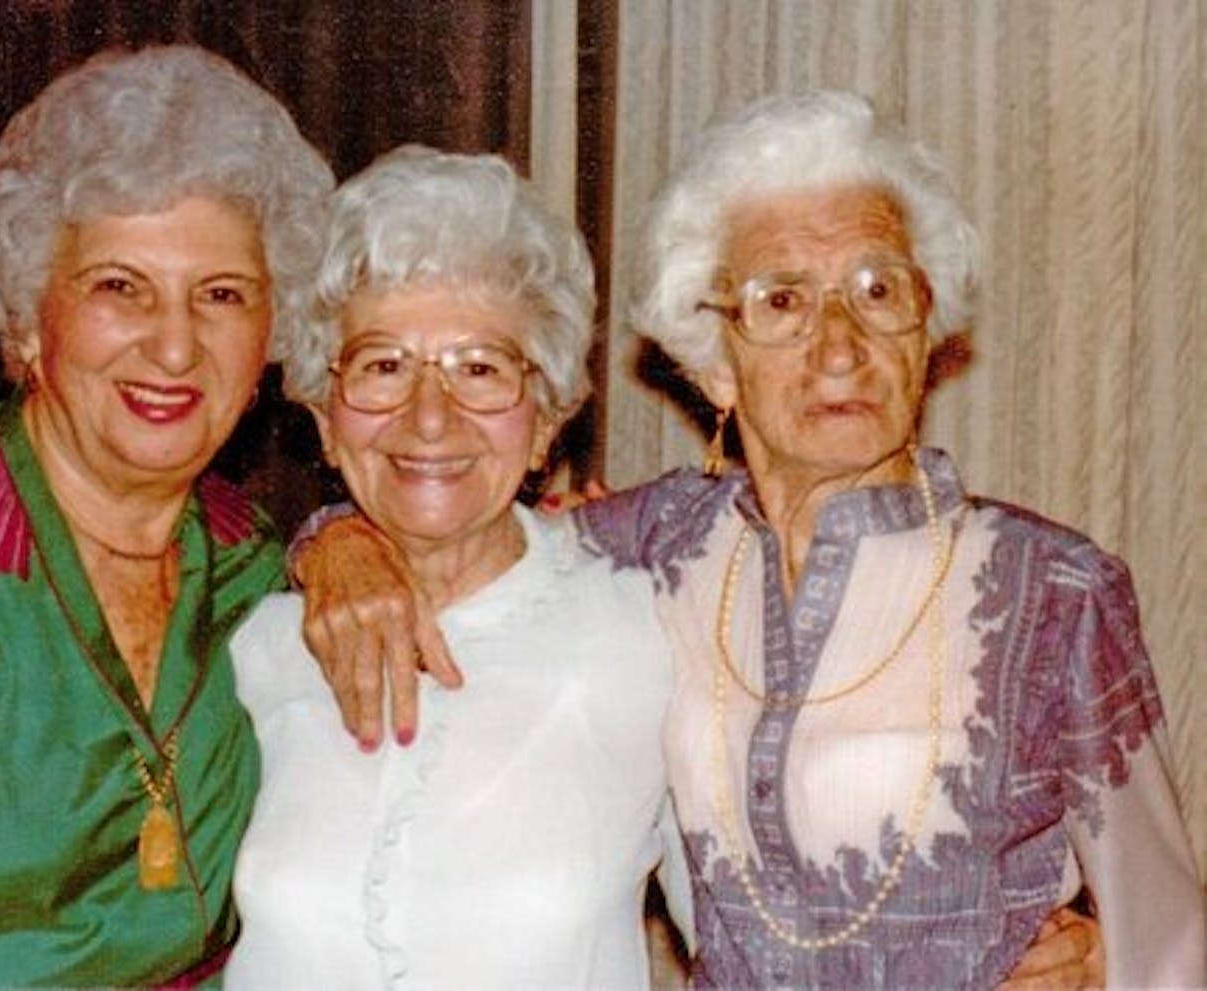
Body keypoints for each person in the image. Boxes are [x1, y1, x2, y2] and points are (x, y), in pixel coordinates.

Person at [295, 91, 1202, 987]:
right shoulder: (662, 545)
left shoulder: (1054, 589)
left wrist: (1099, 964)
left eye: (877, 289)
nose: (839, 345)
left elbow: (1168, 942)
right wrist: (335, 538)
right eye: (781, 301)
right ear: (716, 362)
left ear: (926, 330)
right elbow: (455, 515)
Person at [0, 45, 332, 985]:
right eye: (118, 287)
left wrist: (351, 541)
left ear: (272, 336)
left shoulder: (249, 556)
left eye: (221, 295)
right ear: (25, 319)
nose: (174, 346)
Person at [224, 146, 688, 989]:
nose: (429, 419)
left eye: (480, 368)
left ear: (546, 417)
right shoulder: (258, 646)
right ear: (325, 419)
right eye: (382, 366)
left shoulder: (649, 638)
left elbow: (767, 935)